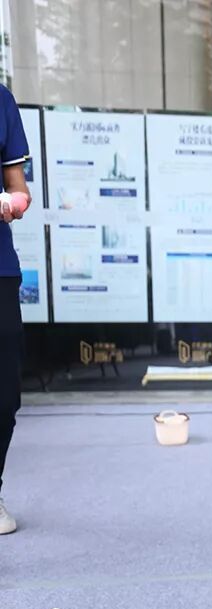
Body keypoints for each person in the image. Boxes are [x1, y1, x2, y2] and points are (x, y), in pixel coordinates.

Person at [0, 84, 31, 536]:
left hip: (1, 269)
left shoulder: (2, 101)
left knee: (6, 395)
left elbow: (18, 189)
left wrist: (13, 203)